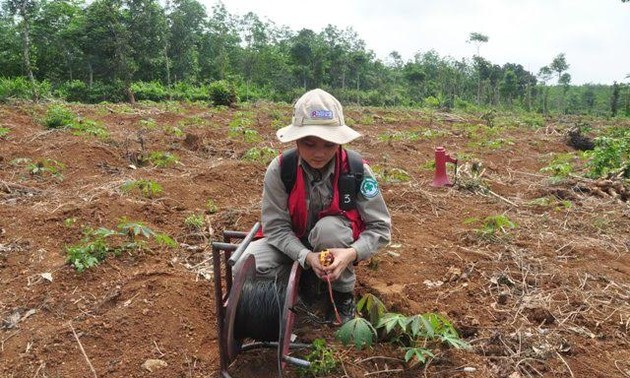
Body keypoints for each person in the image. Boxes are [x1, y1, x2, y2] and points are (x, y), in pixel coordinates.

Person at [235, 88, 391, 324]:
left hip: (333, 244)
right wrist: (306, 257)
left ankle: (341, 296)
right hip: (290, 243)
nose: (319, 154)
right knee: (243, 267)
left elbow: (380, 228)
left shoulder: (356, 170)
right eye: (309, 144)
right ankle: (300, 284)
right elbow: (275, 228)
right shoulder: (280, 170)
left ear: (338, 142)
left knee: (329, 230)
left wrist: (351, 254)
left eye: (329, 145)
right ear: (296, 140)